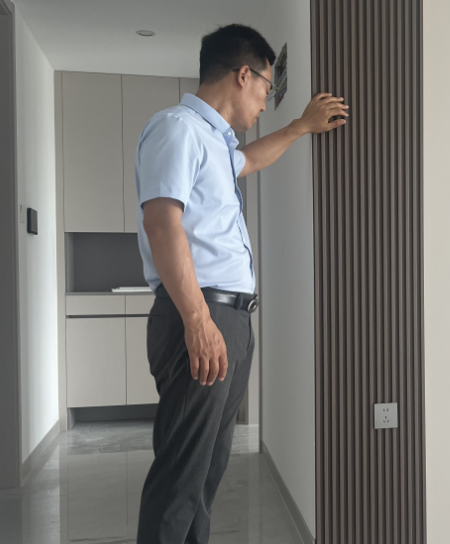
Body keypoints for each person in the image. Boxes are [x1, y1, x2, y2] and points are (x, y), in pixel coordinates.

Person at [134, 23, 348, 544]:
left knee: (204, 473)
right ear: (243, 75)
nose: (265, 101)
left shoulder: (213, 142)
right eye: (267, 87)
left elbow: (249, 160)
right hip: (200, 313)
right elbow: (162, 223)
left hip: (227, 317)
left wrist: (300, 127)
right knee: (181, 475)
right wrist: (198, 321)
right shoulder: (178, 128)